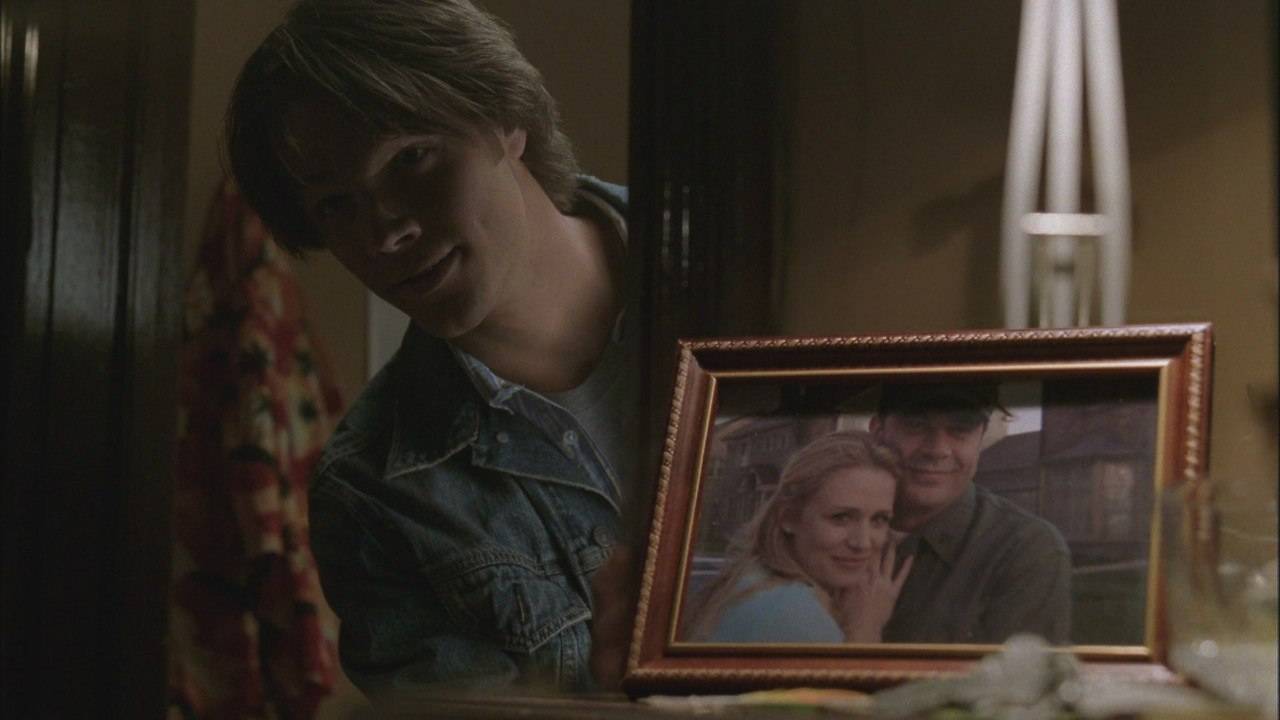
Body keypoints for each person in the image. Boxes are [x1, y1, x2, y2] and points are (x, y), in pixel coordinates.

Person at [223, 0, 640, 696]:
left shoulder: (751, 258)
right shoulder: (377, 493)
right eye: (336, 205)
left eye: (410, 158)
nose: (383, 233)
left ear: (506, 120)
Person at [869, 382, 1072, 644]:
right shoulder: (827, 524)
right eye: (916, 425)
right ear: (878, 431)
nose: (937, 450)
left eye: (960, 430)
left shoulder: (1023, 549)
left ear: (981, 438)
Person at [682, 431, 914, 644]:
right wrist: (866, 630)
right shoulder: (791, 613)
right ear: (789, 517)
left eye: (879, 519)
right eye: (841, 517)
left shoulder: (756, 582)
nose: (862, 543)